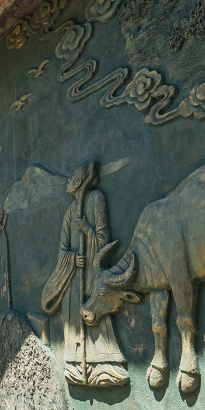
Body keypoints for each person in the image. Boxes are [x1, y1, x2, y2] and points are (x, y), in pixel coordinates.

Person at [41, 163, 130, 387]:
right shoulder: (70, 211)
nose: (68, 181)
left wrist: (87, 230)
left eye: (72, 177)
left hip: (93, 275)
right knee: (74, 324)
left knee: (96, 311)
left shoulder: (96, 199)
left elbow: (104, 240)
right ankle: (75, 370)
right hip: (74, 278)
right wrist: (72, 259)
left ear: (80, 182)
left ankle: (105, 368)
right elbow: (62, 249)